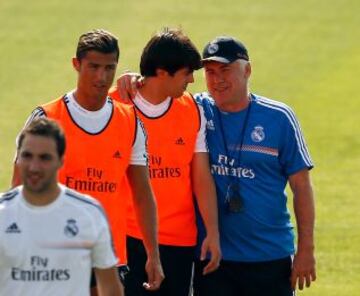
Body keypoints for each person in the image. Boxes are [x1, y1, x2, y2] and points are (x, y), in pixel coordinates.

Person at [12, 29, 164, 292]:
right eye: (93, 67)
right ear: (76, 64)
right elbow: (18, 188)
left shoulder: (130, 122)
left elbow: (142, 193)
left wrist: (153, 253)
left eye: (109, 68)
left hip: (108, 255)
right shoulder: (45, 118)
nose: (102, 77)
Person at [192, 36, 316, 295]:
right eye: (210, 72)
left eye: (225, 70)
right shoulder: (196, 110)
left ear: (247, 70)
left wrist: (306, 250)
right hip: (213, 259)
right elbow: (156, 96)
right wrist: (133, 79)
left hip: (269, 257)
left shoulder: (279, 117)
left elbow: (301, 186)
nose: (217, 79)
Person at [109, 28, 221, 296]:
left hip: (179, 241)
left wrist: (213, 232)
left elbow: (201, 176)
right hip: (127, 239)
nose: (192, 80)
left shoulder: (192, 109)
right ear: (162, 72)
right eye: (186, 73)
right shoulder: (114, 104)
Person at [1, 118, 123, 296]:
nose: (34, 167)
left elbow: (110, 287)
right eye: (27, 156)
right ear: (17, 159)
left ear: (61, 160)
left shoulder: (88, 214)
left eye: (44, 158)